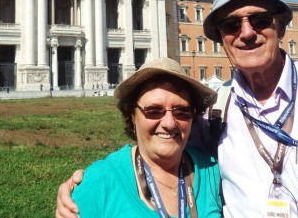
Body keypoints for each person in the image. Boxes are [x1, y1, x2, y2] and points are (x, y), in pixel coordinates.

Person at [57, 0, 298, 218]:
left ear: (281, 25)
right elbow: (163, 148)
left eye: (259, 20)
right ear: (220, 37)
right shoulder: (214, 111)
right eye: (231, 25)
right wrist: (89, 185)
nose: (246, 34)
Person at [62, 57, 222, 217]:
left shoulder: (212, 171)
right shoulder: (98, 182)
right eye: (153, 110)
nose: (169, 123)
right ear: (132, 114)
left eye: (181, 112)